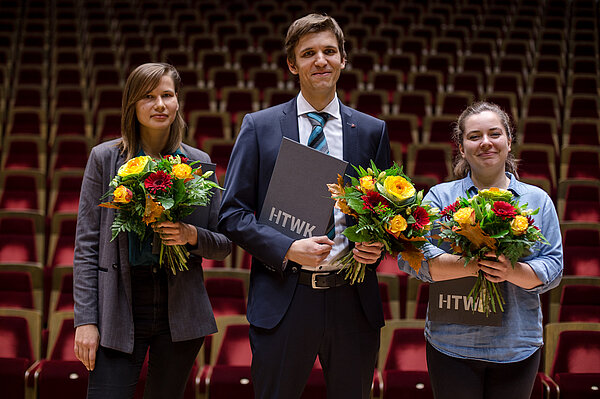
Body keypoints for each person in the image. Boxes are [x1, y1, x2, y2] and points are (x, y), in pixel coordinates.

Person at [218, 14, 390, 399]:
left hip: (353, 299)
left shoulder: (371, 130)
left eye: (330, 51)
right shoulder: (259, 126)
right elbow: (231, 213)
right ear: (292, 65)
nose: (321, 61)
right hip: (285, 296)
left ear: (343, 59)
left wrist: (376, 248)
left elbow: (382, 215)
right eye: (308, 53)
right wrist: (287, 248)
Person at [73, 63, 231, 399]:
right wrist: (85, 320)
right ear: (132, 104)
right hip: (120, 305)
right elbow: (86, 246)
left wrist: (191, 235)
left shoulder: (198, 162)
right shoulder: (104, 158)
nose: (159, 104)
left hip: (179, 309)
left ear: (177, 103)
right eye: (148, 96)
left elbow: (223, 243)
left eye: (167, 95)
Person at [398, 101, 563, 399]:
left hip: (517, 345)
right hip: (451, 345)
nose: (485, 142)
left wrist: (510, 270)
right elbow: (410, 256)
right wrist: (474, 265)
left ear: (509, 141)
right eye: (474, 136)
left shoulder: (538, 200)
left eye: (494, 134)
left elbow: (553, 268)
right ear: (462, 148)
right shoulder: (439, 197)